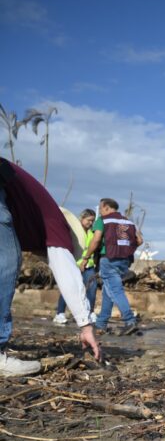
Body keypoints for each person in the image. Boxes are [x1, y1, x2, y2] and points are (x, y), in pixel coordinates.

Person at [1, 158, 101, 376]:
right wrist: (85, 325)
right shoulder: (56, 224)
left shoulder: (31, 209)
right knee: (6, 261)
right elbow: (67, 274)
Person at [81, 198, 142, 333]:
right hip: (124, 260)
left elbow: (96, 239)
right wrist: (127, 251)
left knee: (115, 290)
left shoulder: (103, 220)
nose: (100, 211)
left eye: (101, 208)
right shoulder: (128, 221)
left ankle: (129, 320)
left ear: (106, 207)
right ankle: (101, 323)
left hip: (109, 259)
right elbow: (139, 240)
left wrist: (86, 257)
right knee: (108, 290)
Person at [53, 209, 99, 325]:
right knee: (68, 288)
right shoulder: (73, 231)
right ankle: (60, 313)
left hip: (88, 265)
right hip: (74, 264)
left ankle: (90, 313)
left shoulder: (92, 233)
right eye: (89, 220)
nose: (91, 223)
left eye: (92, 221)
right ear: (81, 218)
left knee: (92, 288)